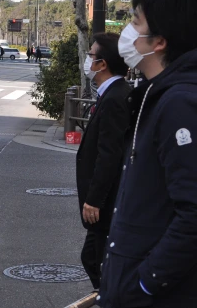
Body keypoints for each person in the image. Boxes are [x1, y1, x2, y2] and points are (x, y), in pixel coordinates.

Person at [98, 0, 197, 308]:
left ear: (159, 41)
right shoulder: (154, 95)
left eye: (135, 21)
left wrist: (143, 284)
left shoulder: (178, 102)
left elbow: (193, 211)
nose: (127, 30)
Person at [76, 33, 130, 292]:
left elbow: (110, 154)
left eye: (91, 56)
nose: (87, 61)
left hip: (104, 203)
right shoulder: (111, 94)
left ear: (102, 64)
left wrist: (94, 199)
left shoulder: (115, 99)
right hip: (104, 202)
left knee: (97, 261)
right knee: (92, 258)